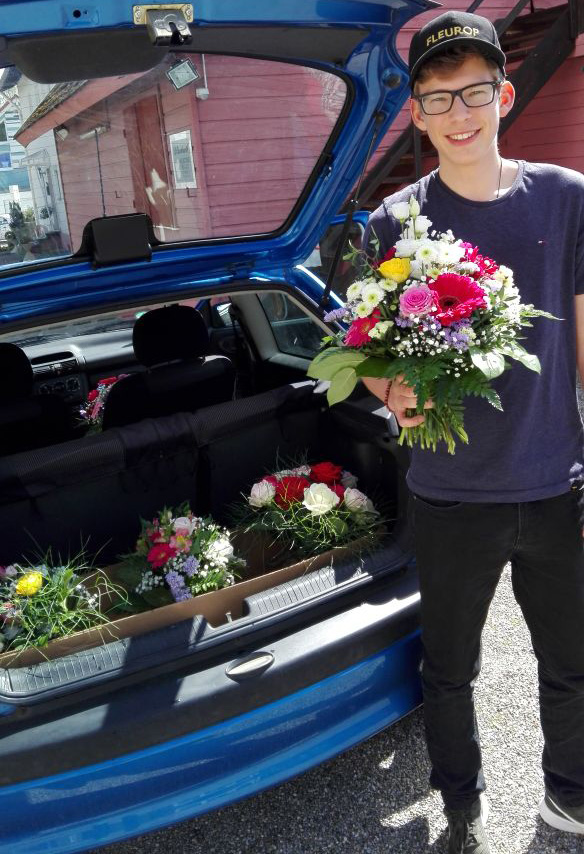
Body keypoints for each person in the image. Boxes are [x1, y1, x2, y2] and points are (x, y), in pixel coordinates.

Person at [362, 10, 584, 854]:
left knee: (572, 664)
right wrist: (391, 391)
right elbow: (367, 351)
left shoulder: (566, 199)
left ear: (505, 94)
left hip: (557, 485)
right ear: (416, 113)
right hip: (451, 495)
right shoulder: (394, 224)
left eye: (474, 92)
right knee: (450, 669)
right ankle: (462, 804)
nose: (459, 114)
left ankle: (569, 797)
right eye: (438, 97)